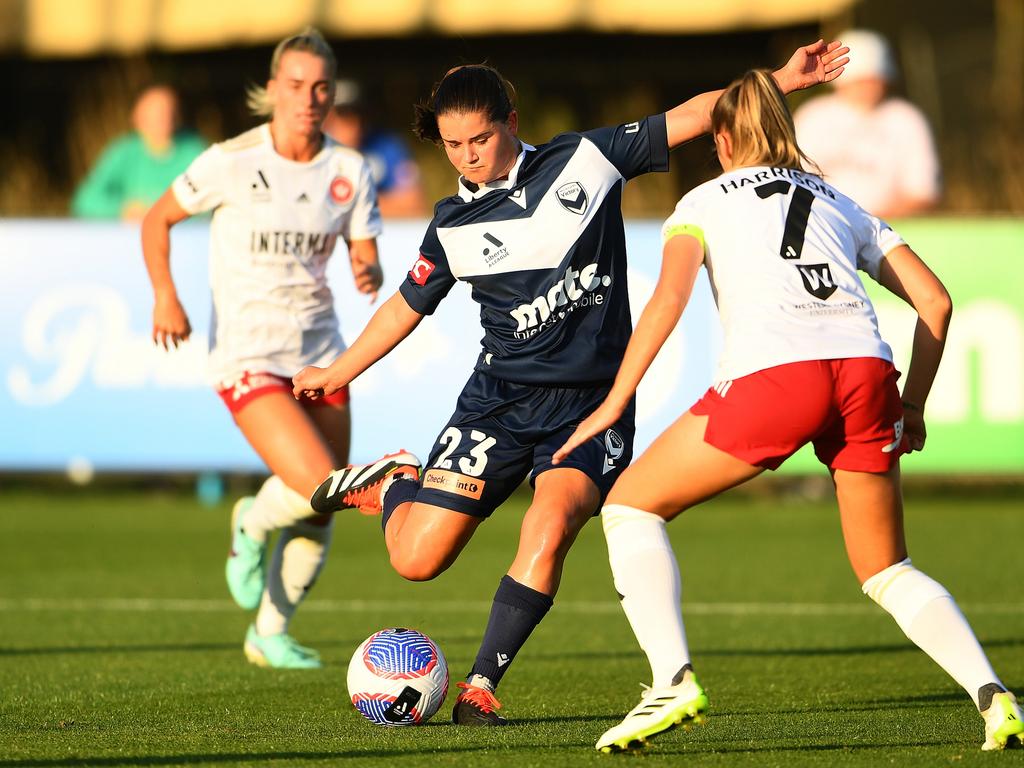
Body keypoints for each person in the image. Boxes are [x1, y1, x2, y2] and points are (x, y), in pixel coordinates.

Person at [292, 41, 848, 724]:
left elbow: (695, 114)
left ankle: (480, 687)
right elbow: (405, 306)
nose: (467, 154)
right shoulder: (451, 225)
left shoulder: (585, 160)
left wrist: (781, 83)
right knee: (414, 559)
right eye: (453, 143)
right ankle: (395, 479)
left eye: (481, 137)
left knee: (550, 522)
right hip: (496, 405)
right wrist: (338, 372)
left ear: (513, 121)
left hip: (590, 407)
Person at [550, 68, 1023, 753]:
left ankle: (672, 680)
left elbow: (668, 301)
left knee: (630, 507)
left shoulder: (701, 202)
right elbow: (937, 303)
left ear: (721, 138)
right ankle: (995, 698)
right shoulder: (842, 202)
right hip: (866, 373)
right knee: (887, 569)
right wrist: (911, 405)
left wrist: (615, 400)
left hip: (777, 377)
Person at [141, 28, 383, 669]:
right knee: (324, 486)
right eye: (297, 85)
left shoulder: (350, 170)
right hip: (248, 355)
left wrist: (368, 270)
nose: (309, 98)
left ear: (332, 93)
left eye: (321, 87)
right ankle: (250, 520)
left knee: (320, 512)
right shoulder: (231, 160)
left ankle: (268, 633)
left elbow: (365, 249)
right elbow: (155, 219)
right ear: (273, 89)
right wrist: (166, 294)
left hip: (322, 354)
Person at [794, 28, 940, 219]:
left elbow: (923, 193)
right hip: (822, 229)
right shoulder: (812, 117)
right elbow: (794, 181)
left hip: (888, 235)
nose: (867, 86)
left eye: (873, 79)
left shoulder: (906, 120)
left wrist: (870, 226)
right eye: (859, 80)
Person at [72, 84, 206, 220]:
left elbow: (212, 200)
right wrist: (123, 209)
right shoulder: (124, 152)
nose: (164, 118)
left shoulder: (193, 150)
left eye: (168, 111)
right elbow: (86, 199)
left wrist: (169, 214)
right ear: (137, 117)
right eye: (155, 113)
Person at [323, 79, 427, 217]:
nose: (354, 123)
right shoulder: (315, 151)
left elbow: (415, 204)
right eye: (344, 114)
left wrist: (350, 202)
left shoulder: (388, 146)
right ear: (329, 116)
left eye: (359, 113)